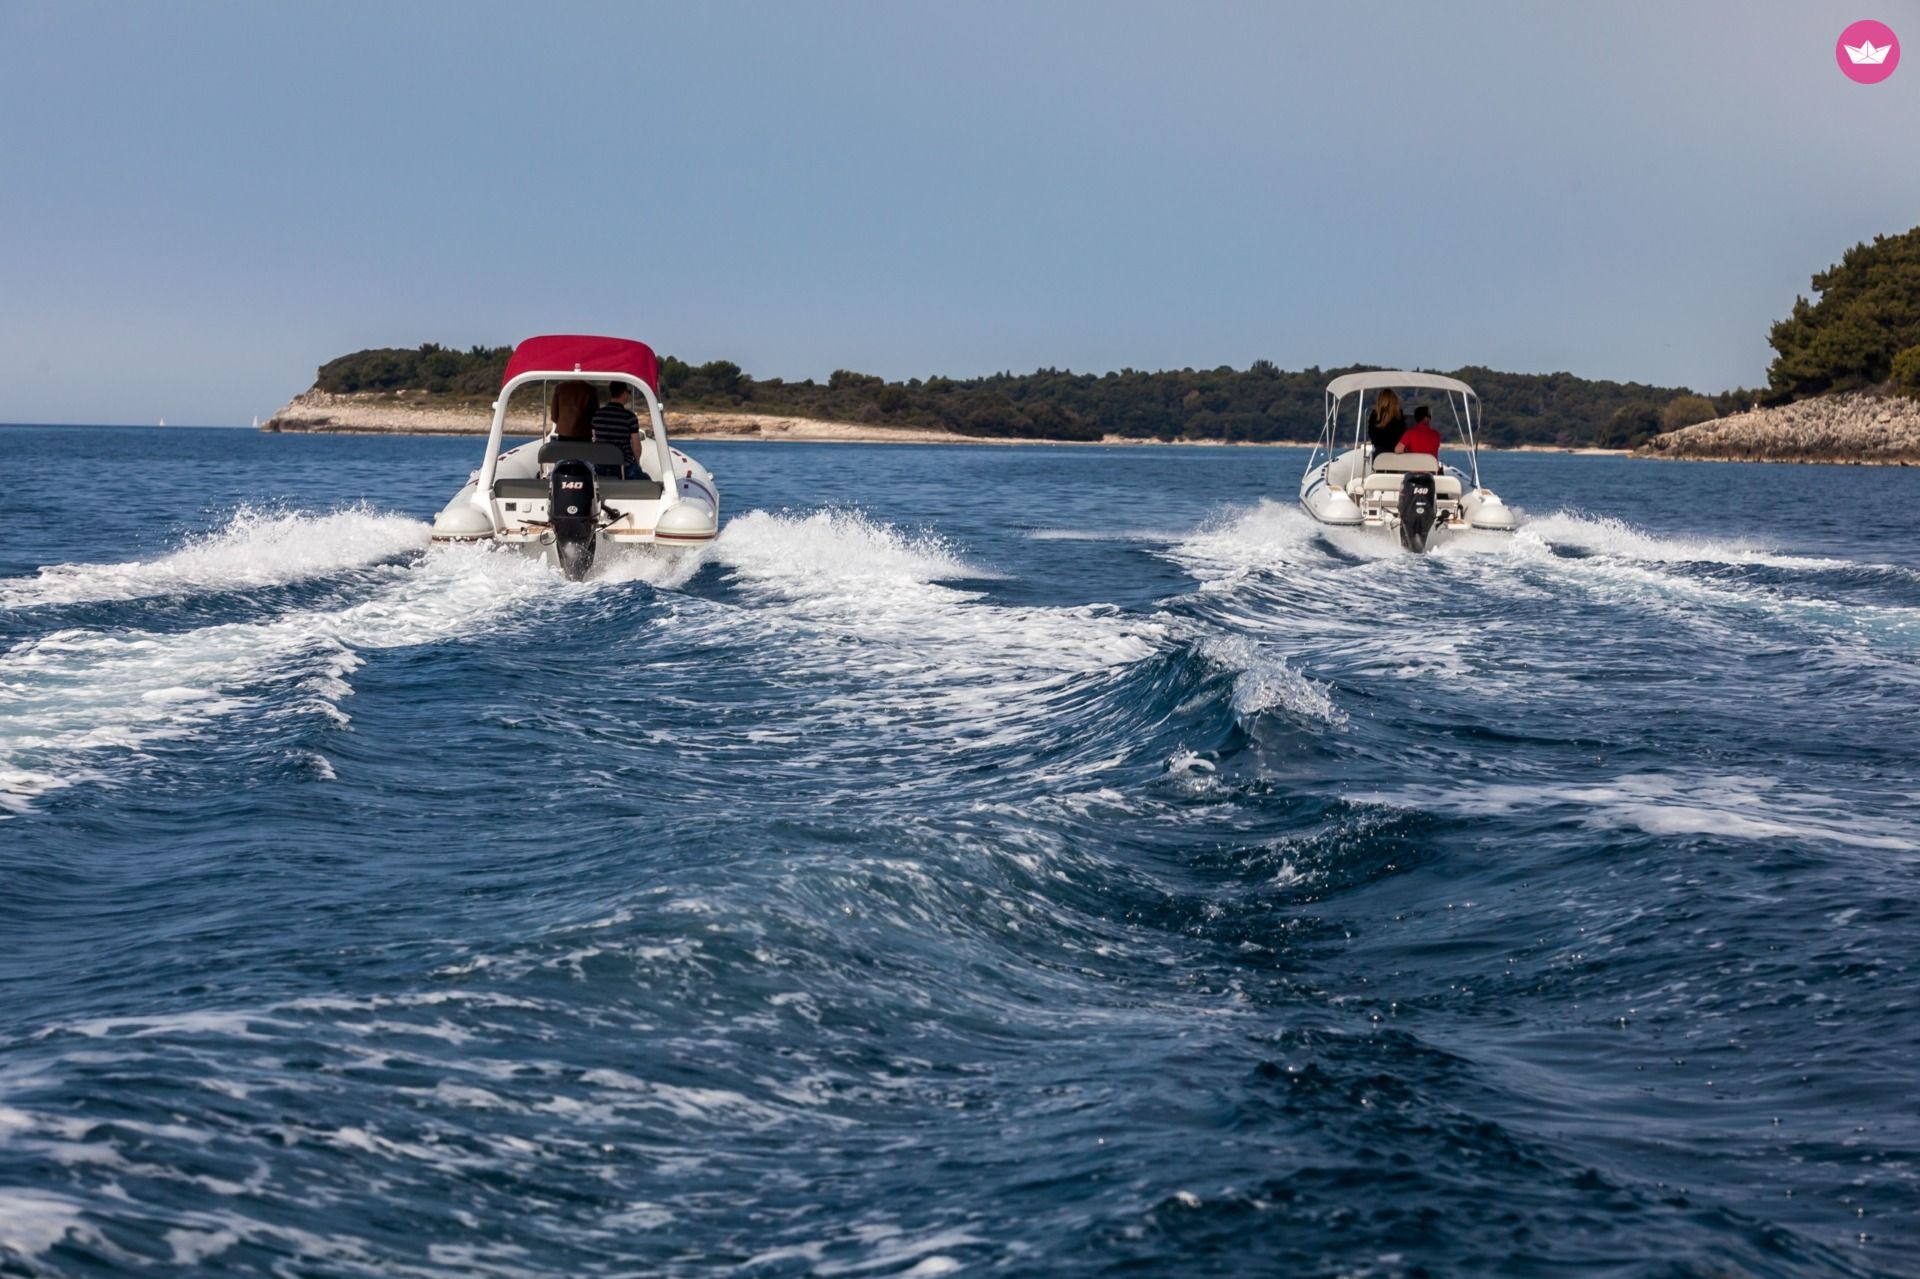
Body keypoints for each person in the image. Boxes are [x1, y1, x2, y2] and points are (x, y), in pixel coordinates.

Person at [590, 381, 645, 477]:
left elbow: (593, 438)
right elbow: (636, 446)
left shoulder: (596, 415)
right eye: (628, 392)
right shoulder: (629, 417)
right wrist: (637, 463)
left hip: (600, 467)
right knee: (647, 480)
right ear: (624, 393)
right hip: (623, 468)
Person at [1366, 388, 1406, 453]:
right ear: (1394, 401)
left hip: (1379, 453)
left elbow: (1372, 434)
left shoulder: (1374, 415)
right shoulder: (1398, 416)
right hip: (1395, 452)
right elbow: (1403, 435)